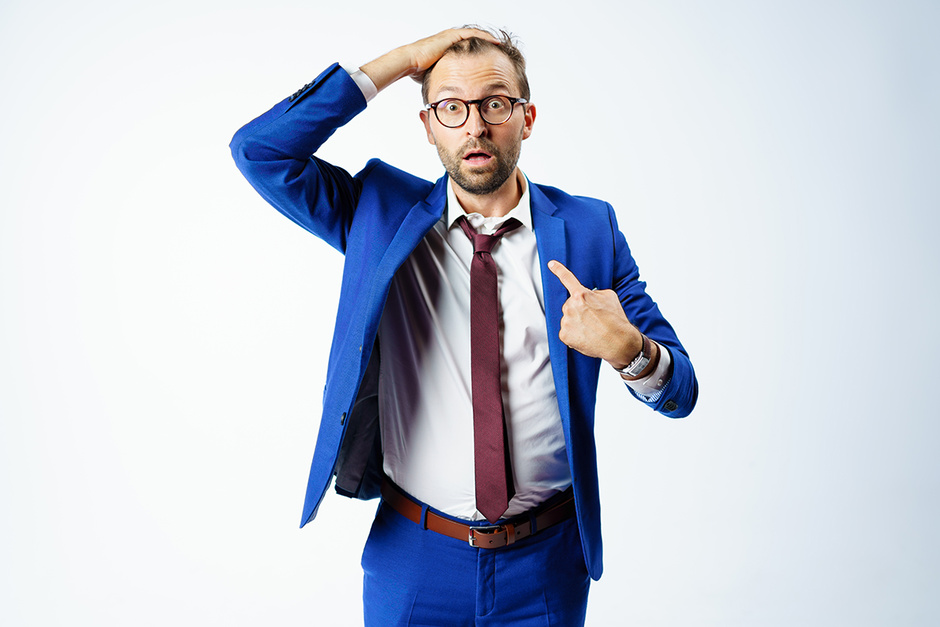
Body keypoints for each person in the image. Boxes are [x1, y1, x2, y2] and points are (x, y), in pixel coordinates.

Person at [231, 26, 697, 626]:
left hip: (547, 562)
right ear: (427, 126)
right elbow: (260, 151)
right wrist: (400, 63)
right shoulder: (379, 211)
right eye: (451, 107)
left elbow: (680, 390)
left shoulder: (589, 230)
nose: (474, 125)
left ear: (526, 118)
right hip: (414, 556)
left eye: (494, 104)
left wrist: (631, 351)